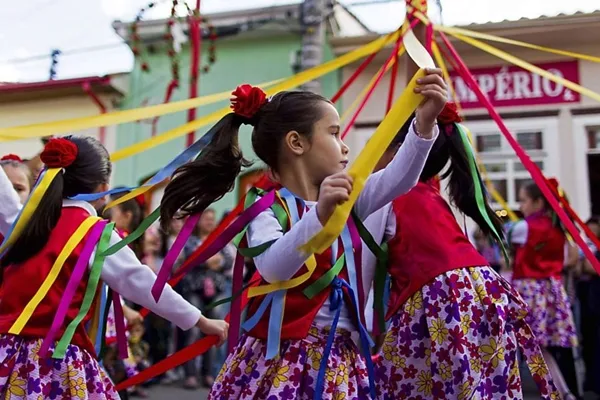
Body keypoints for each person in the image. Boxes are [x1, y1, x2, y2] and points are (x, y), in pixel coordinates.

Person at [159, 72, 446, 399]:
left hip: (338, 356)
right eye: (335, 134)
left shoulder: (346, 198)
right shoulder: (266, 206)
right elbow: (272, 267)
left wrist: (424, 123)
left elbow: (400, 178)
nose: (345, 145)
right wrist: (320, 215)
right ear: (296, 142)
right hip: (281, 359)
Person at [0, 136, 228, 399]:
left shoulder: (24, 221)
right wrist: (199, 320)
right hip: (51, 361)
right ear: (103, 186)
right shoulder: (95, 233)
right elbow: (140, 281)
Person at [374, 104, 558, 400]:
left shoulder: (392, 195)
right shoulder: (429, 193)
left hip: (439, 301)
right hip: (475, 294)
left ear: (400, 152)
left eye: (377, 144)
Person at [509, 181, 581, 399]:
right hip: (551, 289)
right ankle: (562, 392)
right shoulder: (558, 227)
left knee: (532, 344)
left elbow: (506, 243)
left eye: (523, 200)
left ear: (538, 202)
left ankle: (557, 392)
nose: (520, 206)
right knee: (540, 346)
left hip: (530, 290)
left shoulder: (523, 227)